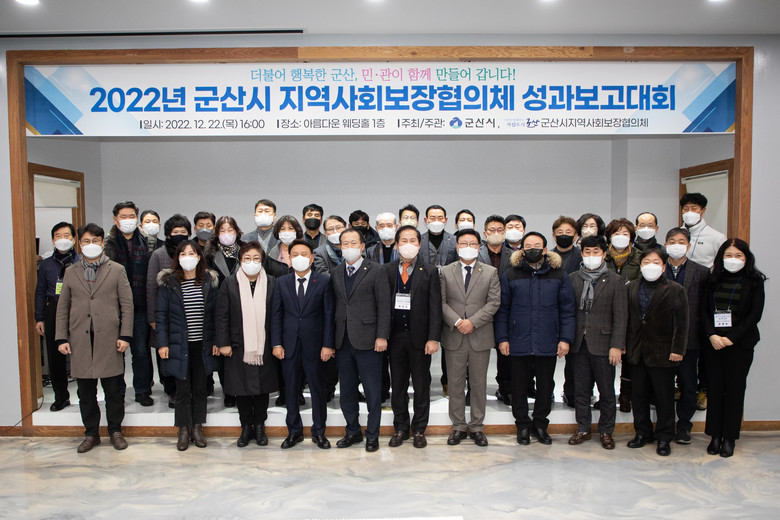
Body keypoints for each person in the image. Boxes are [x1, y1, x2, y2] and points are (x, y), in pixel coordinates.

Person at [55, 223, 133, 453]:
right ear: (80, 244)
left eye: (95, 241)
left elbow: (127, 305)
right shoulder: (71, 272)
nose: (91, 245)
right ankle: (91, 434)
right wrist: (61, 338)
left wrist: (125, 335)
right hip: (80, 339)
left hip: (109, 339)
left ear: (102, 243)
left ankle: (115, 431)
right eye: (86, 241)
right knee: (85, 392)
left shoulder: (116, 270)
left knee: (113, 390)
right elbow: (63, 307)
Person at [495, 231, 576, 446]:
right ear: (522, 250)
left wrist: (565, 338)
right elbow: (502, 310)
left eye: (537, 246)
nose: (533, 249)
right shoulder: (510, 273)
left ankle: (540, 424)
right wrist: (502, 338)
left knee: (545, 385)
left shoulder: (559, 274)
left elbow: (567, 310)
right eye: (528, 246)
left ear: (545, 249)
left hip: (548, 339)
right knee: (518, 386)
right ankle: (522, 425)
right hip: (518, 339)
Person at [701, 239, 766, 458]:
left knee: (735, 390)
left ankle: (729, 438)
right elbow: (703, 311)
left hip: (740, 344)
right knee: (715, 389)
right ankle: (714, 436)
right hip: (713, 344)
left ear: (746, 258)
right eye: (728, 255)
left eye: (738, 255)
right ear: (721, 257)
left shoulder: (754, 281)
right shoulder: (711, 279)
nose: (733, 259)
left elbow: (755, 314)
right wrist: (712, 335)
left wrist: (731, 338)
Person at [331, 228, 391, 453]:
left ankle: (372, 435)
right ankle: (352, 431)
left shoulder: (376, 270)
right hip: (343, 340)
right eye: (344, 244)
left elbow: (384, 306)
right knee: (347, 391)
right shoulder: (336, 272)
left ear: (362, 246)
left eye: (353, 243)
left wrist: (382, 335)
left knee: (372, 391)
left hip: (369, 340)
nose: (349, 247)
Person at [270, 239, 334, 450]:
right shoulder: (282, 282)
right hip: (288, 345)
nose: (299, 258)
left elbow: (328, 315)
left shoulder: (323, 281)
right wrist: (276, 343)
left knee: (317, 389)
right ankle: (294, 431)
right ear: (289, 258)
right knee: (290, 389)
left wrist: (328, 345)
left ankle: (319, 432)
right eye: (295, 254)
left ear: (312, 258)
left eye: (304, 254)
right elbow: (276, 315)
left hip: (316, 346)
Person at [626, 246, 689, 457]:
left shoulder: (675, 289)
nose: (650, 266)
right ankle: (642, 433)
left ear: (663, 267)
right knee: (638, 396)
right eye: (646, 262)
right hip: (637, 352)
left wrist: (677, 349)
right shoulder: (631, 287)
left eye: (655, 262)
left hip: (663, 352)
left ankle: (664, 437)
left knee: (664, 398)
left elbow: (682, 323)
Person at [440, 229, 501, 447]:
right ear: (457, 247)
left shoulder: (490, 272)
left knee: (478, 384)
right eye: (463, 243)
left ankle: (477, 427)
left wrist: (472, 322)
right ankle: (458, 426)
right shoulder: (445, 271)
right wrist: (458, 321)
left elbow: (494, 302)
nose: (468, 247)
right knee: (455, 384)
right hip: (454, 334)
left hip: (480, 334)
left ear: (479, 246)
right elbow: (440, 302)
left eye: (473, 243)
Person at [384, 225, 442, 449]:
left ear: (419, 244)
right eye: (403, 241)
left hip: (420, 339)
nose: (408, 245)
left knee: (421, 385)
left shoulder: (429, 271)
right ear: (396, 245)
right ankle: (400, 428)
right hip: (395, 338)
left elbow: (435, 307)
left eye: (413, 240)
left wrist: (433, 338)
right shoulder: (387, 270)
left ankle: (419, 429)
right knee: (398, 386)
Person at [215, 241, 279, 448]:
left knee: (261, 388)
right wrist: (223, 343)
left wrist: (277, 343)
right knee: (241, 389)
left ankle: (259, 427)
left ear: (262, 261)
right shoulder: (229, 283)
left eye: (256, 258)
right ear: (240, 260)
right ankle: (245, 428)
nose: (252, 262)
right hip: (238, 345)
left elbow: (277, 316)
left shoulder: (272, 282)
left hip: (264, 345)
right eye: (247, 258)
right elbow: (221, 316)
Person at [156, 240, 218, 451]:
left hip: (202, 345)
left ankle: (198, 428)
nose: (187, 257)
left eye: (192, 253)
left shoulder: (209, 281)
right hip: (178, 345)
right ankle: (183, 430)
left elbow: (216, 315)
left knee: (200, 388)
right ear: (177, 258)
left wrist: (216, 342)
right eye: (183, 254)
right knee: (182, 389)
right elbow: (161, 316)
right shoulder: (169, 282)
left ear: (199, 257)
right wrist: (162, 344)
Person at [566, 235, 627, 450]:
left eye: (596, 252)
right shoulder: (573, 278)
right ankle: (583, 428)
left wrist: (617, 345)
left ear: (604, 254)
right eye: (587, 252)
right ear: (581, 254)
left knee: (607, 391)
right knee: (581, 390)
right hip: (579, 343)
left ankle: (606, 430)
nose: (591, 256)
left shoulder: (616, 281)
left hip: (604, 344)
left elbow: (621, 316)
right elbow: (567, 311)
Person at [104, 201, 155, 406]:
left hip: (139, 305)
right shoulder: (108, 244)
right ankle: (117, 391)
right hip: (113, 306)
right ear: (115, 219)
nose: (128, 220)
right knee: (115, 352)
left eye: (131, 216)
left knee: (140, 352)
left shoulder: (147, 241)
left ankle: (142, 390)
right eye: (123, 217)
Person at [664, 227, 709, 445]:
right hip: (661, 338)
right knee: (663, 385)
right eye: (672, 241)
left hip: (690, 337)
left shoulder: (701, 272)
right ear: (665, 245)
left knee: (688, 383)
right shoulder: (655, 268)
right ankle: (664, 426)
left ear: (689, 246)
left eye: (681, 241)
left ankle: (684, 425)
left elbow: (705, 307)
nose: (676, 245)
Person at [146, 214, 191, 408]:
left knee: (185, 353)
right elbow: (151, 287)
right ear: (167, 234)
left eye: (183, 231)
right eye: (175, 232)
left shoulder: (191, 253)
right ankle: (170, 390)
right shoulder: (158, 254)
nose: (179, 235)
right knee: (165, 352)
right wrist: (152, 317)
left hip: (187, 314)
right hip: (164, 313)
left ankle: (185, 389)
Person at [34, 222, 78, 411]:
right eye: (58, 236)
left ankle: (86, 395)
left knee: (81, 350)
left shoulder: (81, 260)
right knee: (54, 353)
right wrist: (39, 317)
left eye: (67, 235)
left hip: (77, 307)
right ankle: (61, 397)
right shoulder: (46, 265)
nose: (62, 239)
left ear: (74, 239)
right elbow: (40, 292)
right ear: (53, 240)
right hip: (53, 307)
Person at [605, 217, 642, 412]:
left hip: (633, 313)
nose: (620, 237)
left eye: (625, 233)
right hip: (606, 313)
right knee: (606, 357)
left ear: (632, 237)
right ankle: (606, 395)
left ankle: (626, 394)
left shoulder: (640, 257)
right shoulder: (602, 256)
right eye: (616, 233)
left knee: (630, 357)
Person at [477, 214, 512, 406]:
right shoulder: (476, 252)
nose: (496, 233)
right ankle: (474, 390)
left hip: (505, 310)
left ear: (505, 233)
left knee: (505, 352)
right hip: (480, 309)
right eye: (492, 230)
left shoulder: (513, 255)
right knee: (476, 352)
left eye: (500, 230)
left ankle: (505, 389)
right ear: (485, 233)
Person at [551, 216, 582, 408]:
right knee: (546, 358)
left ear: (576, 235)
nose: (564, 236)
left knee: (574, 357)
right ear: (554, 236)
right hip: (550, 311)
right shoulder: (547, 256)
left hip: (575, 310)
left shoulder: (582, 257)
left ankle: (571, 392)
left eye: (568, 232)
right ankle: (546, 391)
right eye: (560, 233)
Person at [680, 192, 727, 269]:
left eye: (694, 209)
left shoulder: (717, 237)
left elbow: (721, 265)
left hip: (706, 276)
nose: (689, 212)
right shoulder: (675, 234)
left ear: (703, 210)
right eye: (686, 209)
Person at [206, 216, 244, 286]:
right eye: (222, 231)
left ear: (236, 232)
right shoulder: (210, 254)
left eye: (230, 230)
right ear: (217, 234)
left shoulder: (244, 250)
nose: (226, 234)